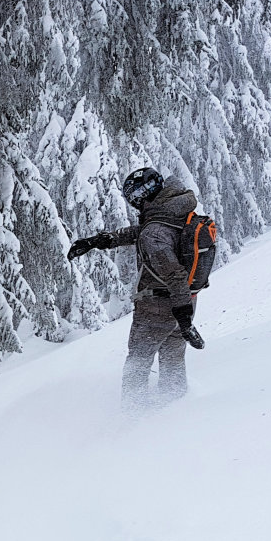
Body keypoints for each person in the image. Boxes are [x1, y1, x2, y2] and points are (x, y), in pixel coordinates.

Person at [66, 167, 206, 411]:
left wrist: (184, 320)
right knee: (173, 360)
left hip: (158, 308)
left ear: (142, 196)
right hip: (183, 304)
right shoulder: (175, 211)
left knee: (137, 367)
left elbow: (174, 274)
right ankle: (177, 411)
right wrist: (97, 241)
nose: (134, 204)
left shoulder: (154, 231)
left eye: (134, 199)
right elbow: (141, 232)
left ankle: (134, 419)